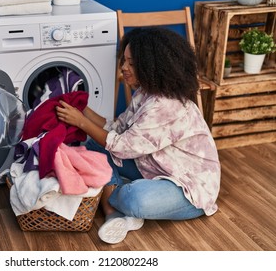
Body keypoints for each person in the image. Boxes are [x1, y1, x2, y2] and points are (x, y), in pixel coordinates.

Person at [56, 27, 221, 244]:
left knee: (135, 198)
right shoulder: (145, 93)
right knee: (94, 146)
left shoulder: (166, 106)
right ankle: (113, 213)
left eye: (132, 63)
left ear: (153, 66)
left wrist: (80, 121)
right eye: (124, 61)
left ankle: (113, 194)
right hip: (156, 166)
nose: (124, 67)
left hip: (189, 188)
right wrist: (83, 109)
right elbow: (116, 128)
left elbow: (122, 146)